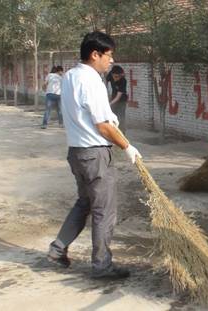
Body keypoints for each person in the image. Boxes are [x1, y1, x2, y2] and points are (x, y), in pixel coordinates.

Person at [47, 31, 142, 280]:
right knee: (104, 210)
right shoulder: (91, 80)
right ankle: (102, 265)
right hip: (95, 154)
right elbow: (103, 125)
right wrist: (127, 146)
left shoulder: (70, 76)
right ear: (95, 54)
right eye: (109, 55)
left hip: (77, 152)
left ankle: (58, 250)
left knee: (85, 203)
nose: (111, 61)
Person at [107, 65, 128, 134]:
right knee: (112, 116)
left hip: (122, 100)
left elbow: (118, 97)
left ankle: (122, 133)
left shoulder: (123, 81)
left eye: (119, 77)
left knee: (121, 117)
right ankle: (113, 132)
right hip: (113, 98)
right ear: (112, 74)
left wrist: (109, 104)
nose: (117, 79)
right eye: (115, 77)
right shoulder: (110, 74)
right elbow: (105, 81)